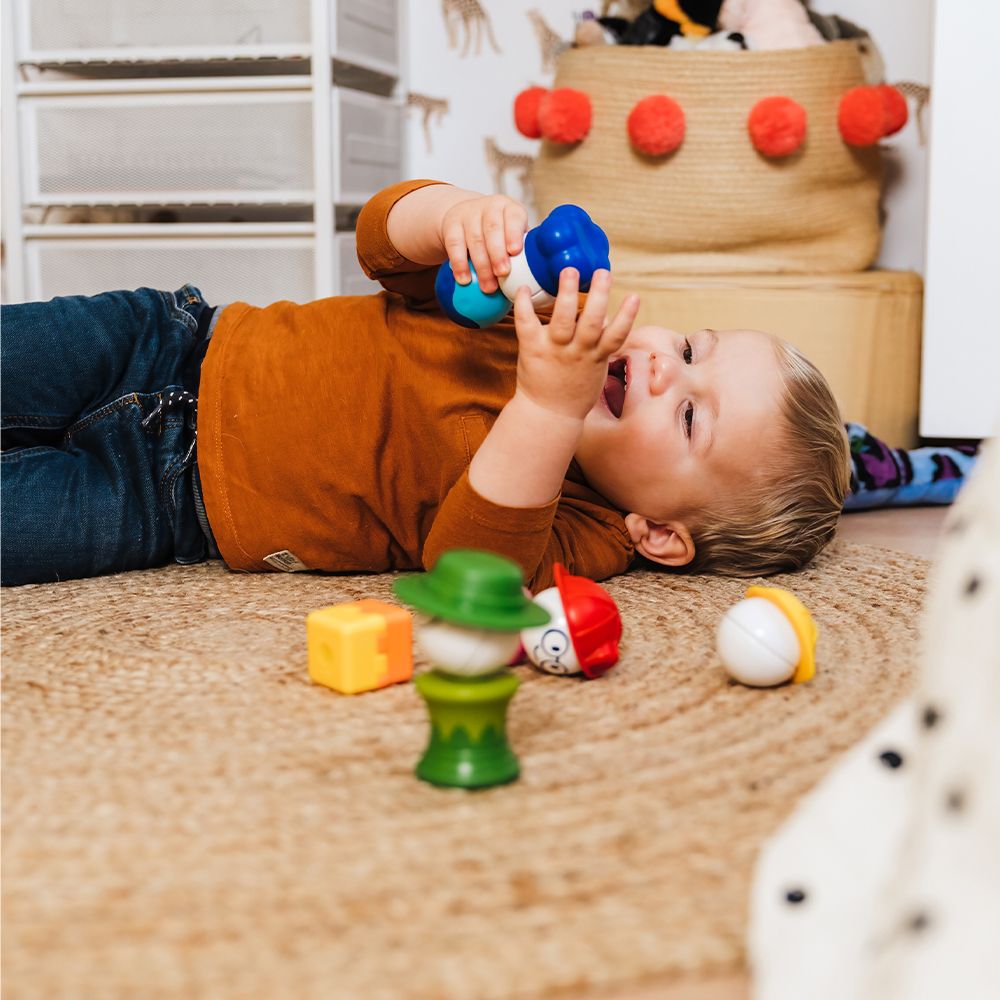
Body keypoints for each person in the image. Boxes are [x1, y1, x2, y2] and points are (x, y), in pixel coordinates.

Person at [0, 179, 850, 589]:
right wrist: (450, 217)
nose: (668, 366)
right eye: (695, 347)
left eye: (692, 414)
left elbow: (466, 568)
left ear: (659, 532)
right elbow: (378, 241)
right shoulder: (531, 309)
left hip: (165, 505)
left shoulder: (587, 538)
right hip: (166, 341)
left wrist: (551, 404)